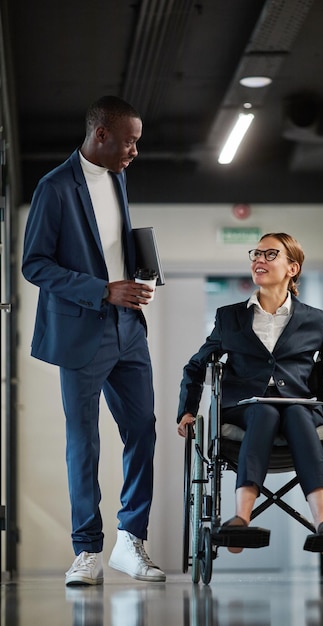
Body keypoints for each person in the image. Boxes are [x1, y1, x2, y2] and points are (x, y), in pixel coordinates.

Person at [22, 95, 165, 585]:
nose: (134, 152)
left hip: (129, 330)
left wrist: (138, 268)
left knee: (142, 430)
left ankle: (131, 541)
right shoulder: (54, 188)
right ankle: (86, 551)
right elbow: (34, 264)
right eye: (129, 141)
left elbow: (108, 246)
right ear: (100, 135)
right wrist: (102, 290)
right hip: (82, 329)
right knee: (84, 442)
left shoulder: (119, 178)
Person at [177, 232, 323, 553]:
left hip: (300, 406)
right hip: (245, 407)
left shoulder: (314, 319)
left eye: (270, 255)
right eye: (256, 254)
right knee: (264, 410)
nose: (258, 260)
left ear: (292, 268)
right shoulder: (230, 317)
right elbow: (196, 366)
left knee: (295, 412)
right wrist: (187, 409)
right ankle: (241, 519)